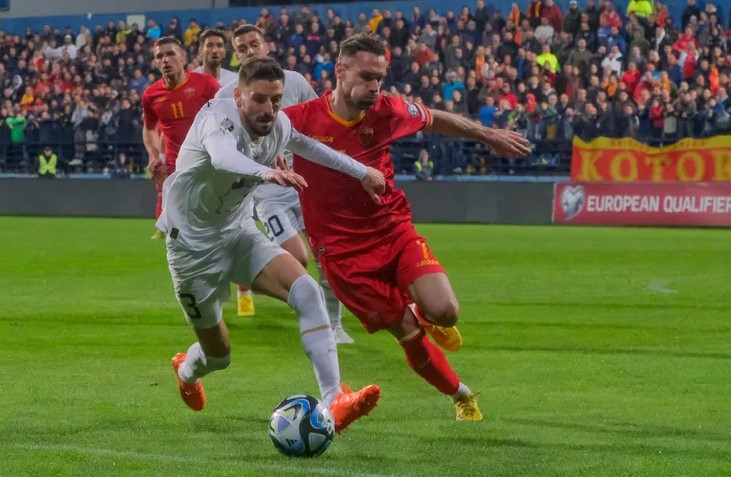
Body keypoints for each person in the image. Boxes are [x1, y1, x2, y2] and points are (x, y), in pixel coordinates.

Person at [286, 33, 531, 421]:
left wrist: (489, 136)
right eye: (366, 77)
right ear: (340, 71)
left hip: (392, 230)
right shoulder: (299, 120)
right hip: (343, 254)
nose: (374, 87)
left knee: (446, 311)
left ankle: (426, 312)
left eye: (379, 78)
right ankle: (461, 394)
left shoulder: (388, 110)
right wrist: (271, 161)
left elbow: (436, 119)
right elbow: (255, 137)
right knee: (408, 332)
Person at [158, 57, 385, 432]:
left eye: (276, 100)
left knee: (307, 291)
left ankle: (334, 399)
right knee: (218, 356)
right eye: (259, 99)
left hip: (238, 233)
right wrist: (267, 172)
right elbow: (222, 157)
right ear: (239, 96)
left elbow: (310, 146)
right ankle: (186, 372)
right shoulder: (217, 119)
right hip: (192, 250)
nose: (269, 109)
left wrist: (362, 172)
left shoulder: (278, 125)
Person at [216, 26, 351, 344]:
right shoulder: (226, 95)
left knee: (327, 254)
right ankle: (254, 274)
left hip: (305, 184)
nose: (249, 51)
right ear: (236, 56)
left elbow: (320, 121)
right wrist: (261, 154)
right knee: (297, 258)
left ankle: (333, 325)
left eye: (254, 44)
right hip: (267, 191)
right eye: (242, 48)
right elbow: (224, 145)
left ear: (266, 46)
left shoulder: (295, 82)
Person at [142, 37, 220, 240]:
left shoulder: (207, 84)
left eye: (170, 54)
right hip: (174, 167)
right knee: (177, 233)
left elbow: (226, 116)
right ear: (155, 62)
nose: (165, 60)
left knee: (212, 225)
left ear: (183, 57)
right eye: (160, 56)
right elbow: (149, 128)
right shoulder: (151, 95)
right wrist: (154, 156)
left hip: (207, 164)